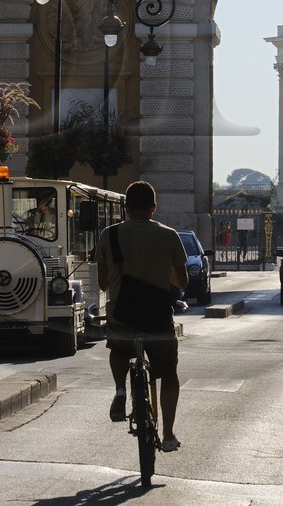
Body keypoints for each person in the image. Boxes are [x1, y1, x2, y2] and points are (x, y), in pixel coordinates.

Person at [97, 180, 188, 452]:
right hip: (157, 317)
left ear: (125, 208)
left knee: (119, 348)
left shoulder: (109, 235)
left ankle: (120, 390)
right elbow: (181, 282)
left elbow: (102, 283)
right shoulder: (169, 235)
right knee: (169, 373)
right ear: (153, 207)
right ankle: (169, 434)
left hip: (121, 315)